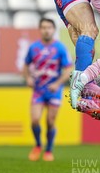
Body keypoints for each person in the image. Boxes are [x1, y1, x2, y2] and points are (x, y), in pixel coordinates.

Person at [22, 18, 74, 161]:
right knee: (35, 120)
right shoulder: (33, 47)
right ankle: (38, 145)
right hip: (38, 89)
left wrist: (57, 84)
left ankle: (49, 150)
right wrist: (28, 78)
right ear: (40, 29)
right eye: (43, 27)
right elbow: (26, 65)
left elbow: (69, 68)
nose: (46, 30)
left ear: (53, 29)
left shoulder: (60, 48)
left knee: (50, 122)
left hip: (53, 90)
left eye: (49, 27)